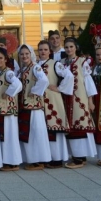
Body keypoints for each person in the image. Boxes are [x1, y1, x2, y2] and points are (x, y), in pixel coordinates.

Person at [62, 37, 98, 169]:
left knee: (79, 126)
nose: (69, 49)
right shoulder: (62, 62)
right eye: (66, 47)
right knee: (70, 128)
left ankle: (80, 158)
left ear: (76, 47)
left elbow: (88, 82)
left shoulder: (82, 62)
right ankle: (76, 156)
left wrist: (90, 101)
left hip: (79, 99)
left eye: (71, 46)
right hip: (66, 99)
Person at [36, 40, 73, 169]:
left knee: (54, 128)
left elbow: (69, 76)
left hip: (52, 99)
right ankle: (46, 157)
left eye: (45, 49)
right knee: (43, 130)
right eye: (40, 49)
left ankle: (57, 158)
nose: (43, 52)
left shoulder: (55, 64)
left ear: (49, 51)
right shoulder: (35, 65)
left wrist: (60, 88)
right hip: (39, 100)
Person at [17, 44, 52, 170]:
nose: (24, 56)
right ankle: (31, 159)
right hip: (25, 107)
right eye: (22, 54)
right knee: (28, 134)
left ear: (31, 54)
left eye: (27, 54)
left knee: (36, 133)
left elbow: (44, 80)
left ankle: (38, 160)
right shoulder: (22, 69)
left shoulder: (35, 67)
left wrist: (35, 90)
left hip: (34, 107)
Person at [0, 47, 23, 171]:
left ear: (5, 59)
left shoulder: (8, 73)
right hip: (1, 109)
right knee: (4, 135)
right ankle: (7, 161)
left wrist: (8, 93)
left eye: (1, 58)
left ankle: (13, 162)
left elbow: (18, 84)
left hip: (8, 109)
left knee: (10, 135)